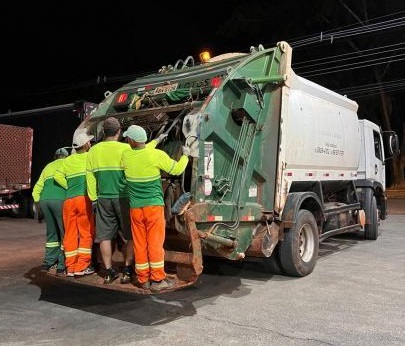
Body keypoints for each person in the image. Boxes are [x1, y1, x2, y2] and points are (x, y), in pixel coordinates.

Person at [122, 124, 189, 292]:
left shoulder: (126, 156)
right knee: (155, 243)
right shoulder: (157, 155)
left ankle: (143, 278)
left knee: (140, 243)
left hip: (136, 209)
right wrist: (186, 156)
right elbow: (178, 169)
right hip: (153, 208)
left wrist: (156, 140)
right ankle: (158, 280)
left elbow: (142, 150)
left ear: (131, 140)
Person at [86, 117, 134, 284]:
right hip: (123, 198)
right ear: (119, 132)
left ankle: (108, 271)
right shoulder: (126, 148)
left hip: (103, 198)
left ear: (103, 132)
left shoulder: (93, 151)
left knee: (105, 237)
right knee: (129, 235)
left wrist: (93, 198)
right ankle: (127, 271)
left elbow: (90, 176)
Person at [54, 131, 96, 277]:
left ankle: (70, 267)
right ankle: (81, 267)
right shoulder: (90, 157)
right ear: (85, 145)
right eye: (89, 142)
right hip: (83, 200)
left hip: (69, 201)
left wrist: (68, 187)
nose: (90, 144)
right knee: (85, 233)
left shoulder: (68, 160)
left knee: (70, 234)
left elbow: (57, 176)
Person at [32, 147, 69, 275]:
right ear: (66, 156)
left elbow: (36, 188)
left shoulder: (47, 167)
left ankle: (48, 263)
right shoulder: (67, 163)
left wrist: (38, 205)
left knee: (52, 234)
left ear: (55, 157)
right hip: (60, 200)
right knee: (65, 233)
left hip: (45, 201)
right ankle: (61, 264)